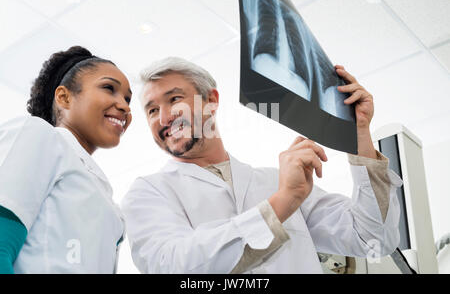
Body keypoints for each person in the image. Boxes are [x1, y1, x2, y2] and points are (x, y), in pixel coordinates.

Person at [121, 57, 402, 274]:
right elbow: (174, 266)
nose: (165, 117)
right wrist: (282, 203)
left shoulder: (273, 181)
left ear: (211, 101)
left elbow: (371, 237)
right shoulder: (148, 192)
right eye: (152, 110)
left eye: (174, 99)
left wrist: (359, 135)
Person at [0, 46, 132, 273]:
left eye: (128, 99)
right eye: (109, 88)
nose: (124, 106)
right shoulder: (38, 135)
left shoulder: (110, 204)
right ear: (64, 97)